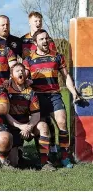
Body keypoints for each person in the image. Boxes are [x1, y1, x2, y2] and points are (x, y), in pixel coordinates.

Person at [23, 29, 83, 168]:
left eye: (46, 38)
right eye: (41, 39)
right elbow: (23, 79)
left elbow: (65, 76)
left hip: (54, 96)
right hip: (37, 99)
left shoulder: (57, 56)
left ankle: (64, 157)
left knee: (62, 123)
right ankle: (45, 159)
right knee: (43, 129)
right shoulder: (29, 60)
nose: (45, 41)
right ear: (35, 42)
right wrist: (25, 82)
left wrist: (73, 91)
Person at [4, 63, 53, 170]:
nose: (21, 72)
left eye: (22, 70)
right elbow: (5, 114)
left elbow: (36, 114)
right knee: (14, 163)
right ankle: (19, 153)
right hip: (13, 127)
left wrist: (29, 127)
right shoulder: (6, 90)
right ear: (12, 75)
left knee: (43, 126)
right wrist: (21, 127)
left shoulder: (31, 92)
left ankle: (45, 162)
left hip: (27, 126)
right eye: (17, 71)